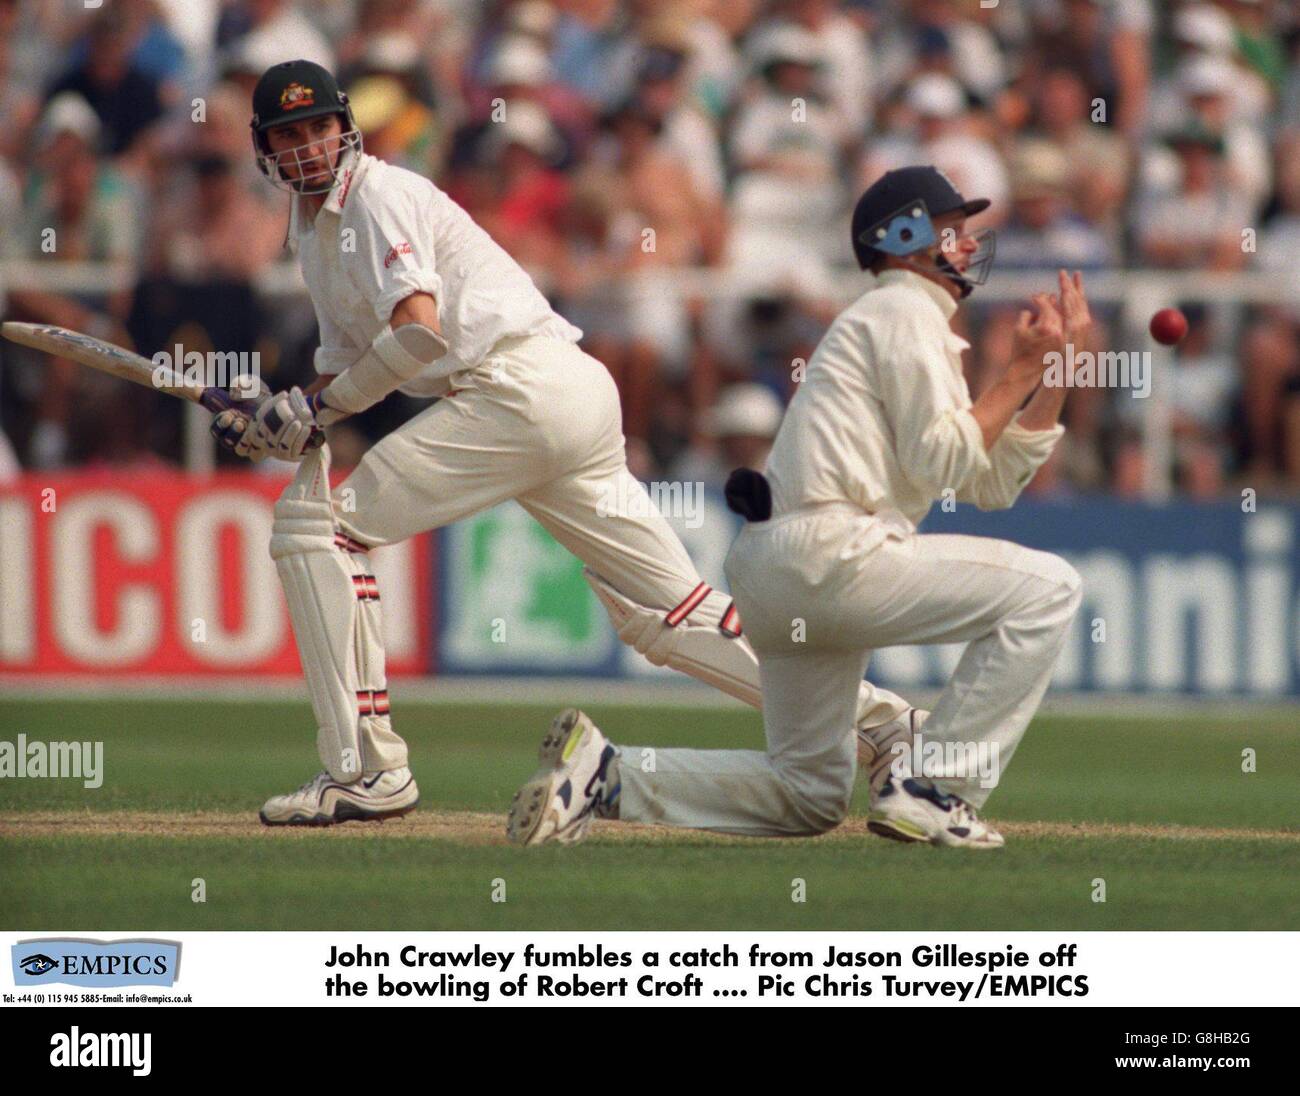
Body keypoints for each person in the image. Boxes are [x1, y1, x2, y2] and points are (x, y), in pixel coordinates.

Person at [214, 60, 919, 826]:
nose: (309, 146)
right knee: (665, 616)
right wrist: (281, 417)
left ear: (344, 125)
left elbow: (417, 334)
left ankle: (366, 770)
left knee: (321, 532)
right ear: (265, 148)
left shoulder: (376, 196)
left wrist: (316, 407)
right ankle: (885, 723)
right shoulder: (311, 231)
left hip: (515, 391)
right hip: (559, 395)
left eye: (319, 127)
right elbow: (343, 371)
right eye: (290, 135)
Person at [512, 167, 1089, 850]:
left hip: (783, 571)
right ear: (904, 238)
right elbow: (943, 460)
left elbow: (987, 483)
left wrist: (1054, 373)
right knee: (1050, 588)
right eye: (951, 231)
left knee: (807, 793)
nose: (967, 244)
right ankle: (934, 787)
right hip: (833, 553)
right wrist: (1019, 372)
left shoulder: (902, 320)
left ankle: (607, 777)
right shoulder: (903, 312)